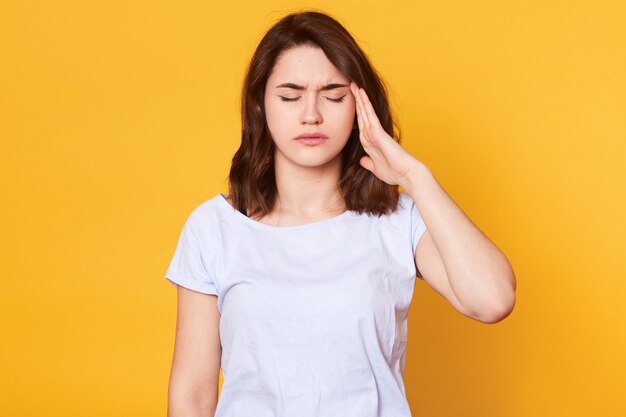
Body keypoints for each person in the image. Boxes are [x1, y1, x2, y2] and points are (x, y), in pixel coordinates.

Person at [164, 10, 516, 417]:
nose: (311, 114)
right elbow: (193, 393)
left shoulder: (398, 220)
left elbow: (493, 300)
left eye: (333, 96)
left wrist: (415, 176)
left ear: (359, 108)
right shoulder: (213, 228)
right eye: (290, 96)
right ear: (260, 105)